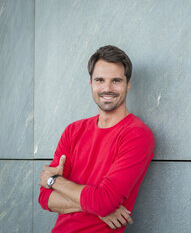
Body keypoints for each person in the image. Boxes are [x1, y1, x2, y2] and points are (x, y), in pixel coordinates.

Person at [38, 45, 155, 232]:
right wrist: (96, 207)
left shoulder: (137, 135)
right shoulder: (73, 131)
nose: (107, 88)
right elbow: (44, 198)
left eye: (116, 81)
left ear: (128, 84)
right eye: (100, 80)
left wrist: (53, 181)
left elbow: (104, 202)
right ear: (91, 84)